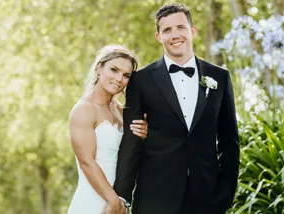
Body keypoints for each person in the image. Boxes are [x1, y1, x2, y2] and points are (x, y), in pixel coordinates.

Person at [112, 3, 240, 214]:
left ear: (192, 31)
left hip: (207, 199)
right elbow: (131, 141)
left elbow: (229, 142)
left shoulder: (220, 77)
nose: (175, 35)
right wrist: (122, 196)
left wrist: (226, 194)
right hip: (154, 199)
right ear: (158, 36)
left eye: (180, 27)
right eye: (167, 30)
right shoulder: (140, 80)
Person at [67, 44, 148, 214]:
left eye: (126, 75)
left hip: (120, 200)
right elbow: (86, 163)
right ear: (99, 68)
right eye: (114, 70)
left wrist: (143, 134)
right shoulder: (83, 110)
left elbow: (130, 154)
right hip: (94, 199)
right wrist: (112, 200)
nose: (119, 79)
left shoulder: (121, 111)